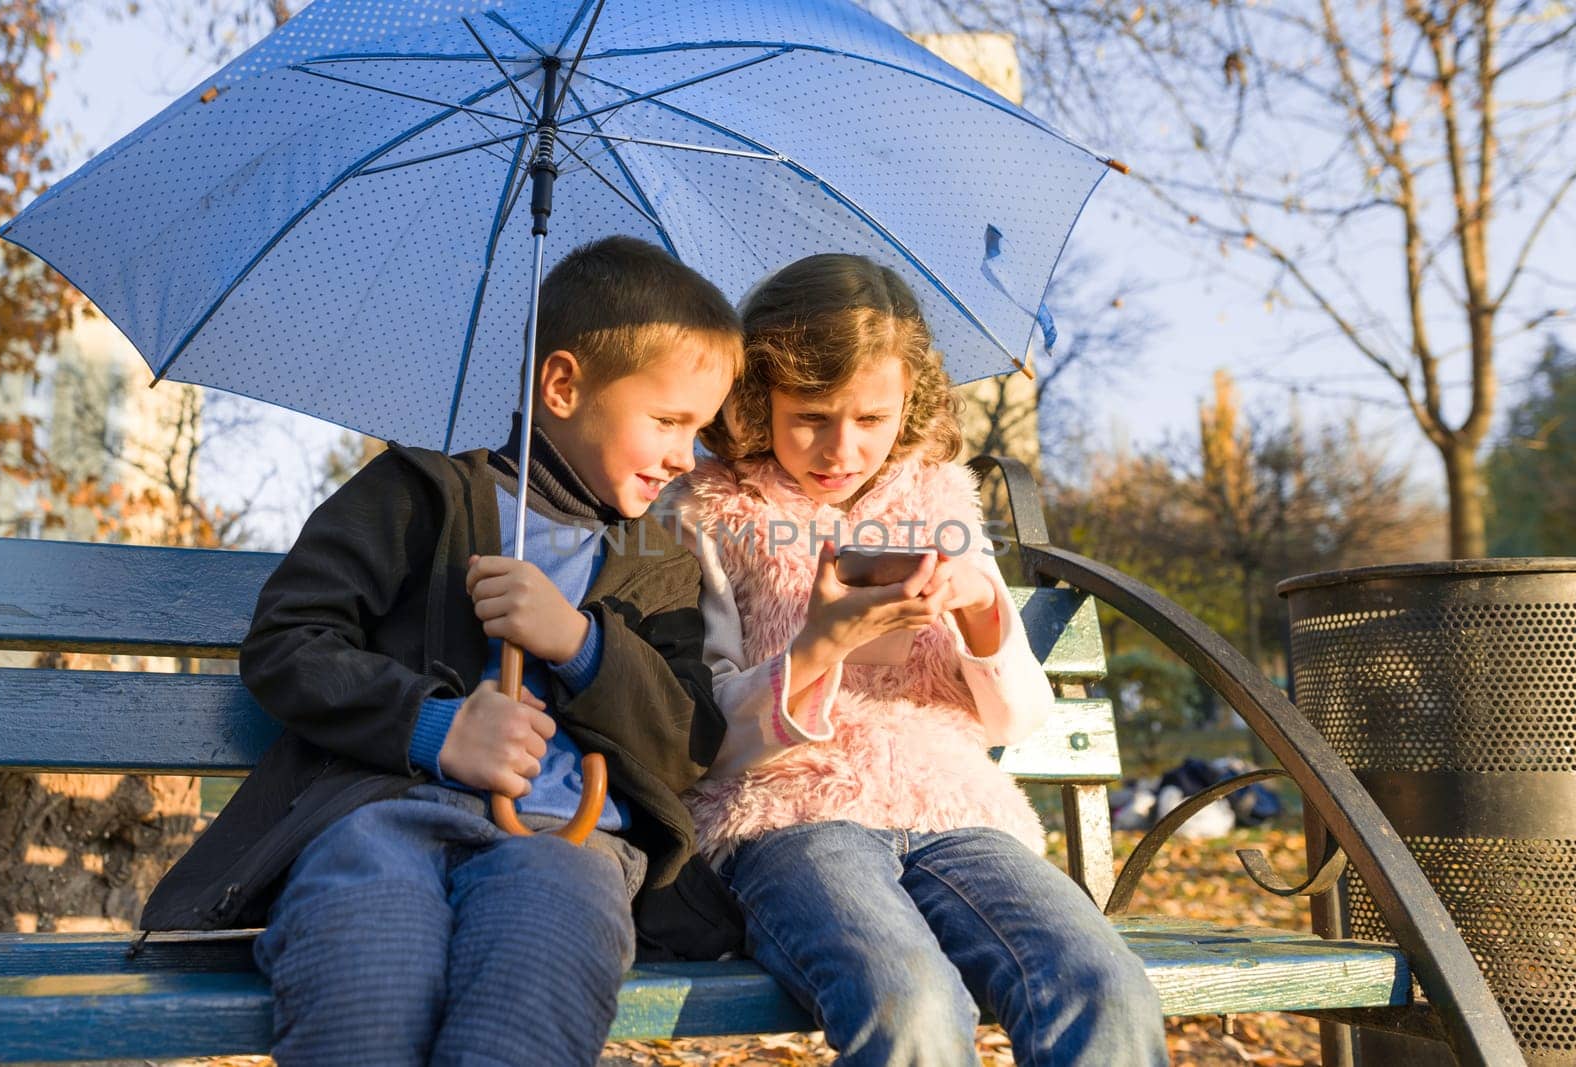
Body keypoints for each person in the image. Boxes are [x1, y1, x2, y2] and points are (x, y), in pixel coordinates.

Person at [140, 236, 746, 1066]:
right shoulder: (421, 492)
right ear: (562, 385)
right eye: (669, 421)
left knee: (529, 1001)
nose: (687, 454)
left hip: (568, 845)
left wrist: (579, 643)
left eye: (701, 429)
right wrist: (435, 726)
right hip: (382, 819)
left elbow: (687, 743)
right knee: (367, 985)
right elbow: (289, 641)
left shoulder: (663, 564)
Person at [665, 253, 1168, 1066]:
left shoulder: (938, 503)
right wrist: (820, 643)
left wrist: (981, 613)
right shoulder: (715, 512)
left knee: (1103, 984)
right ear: (760, 398)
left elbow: (1015, 720)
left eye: (871, 419)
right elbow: (702, 734)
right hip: (790, 815)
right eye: (812, 417)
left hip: (954, 806)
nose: (841, 448)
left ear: (911, 401)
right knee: (914, 1000)